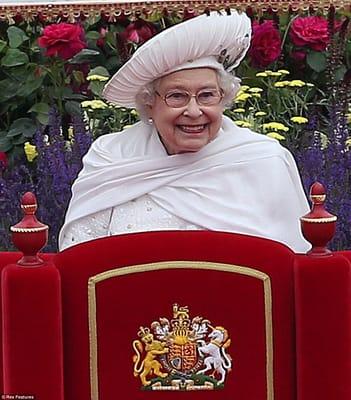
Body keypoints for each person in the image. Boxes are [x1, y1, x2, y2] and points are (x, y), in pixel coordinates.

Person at [59, 9, 310, 252]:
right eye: (177, 96)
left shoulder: (263, 160)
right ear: (150, 102)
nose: (193, 111)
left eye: (207, 95)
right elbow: (80, 260)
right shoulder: (111, 157)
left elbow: (289, 266)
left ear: (224, 98)